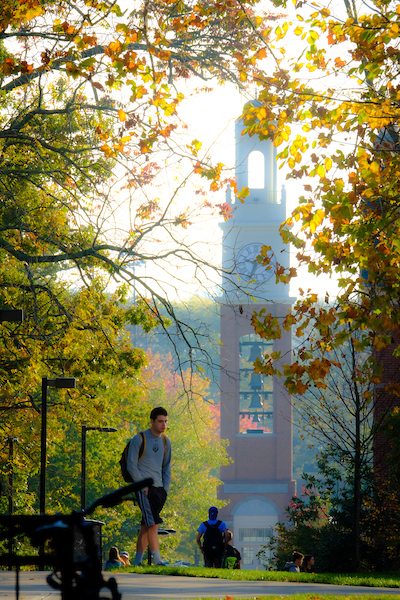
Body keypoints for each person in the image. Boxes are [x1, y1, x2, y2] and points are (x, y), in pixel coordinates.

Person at [127, 406, 171, 566]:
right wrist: (142, 486)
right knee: (153, 524)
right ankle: (158, 560)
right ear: (152, 421)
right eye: (160, 421)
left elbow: (166, 467)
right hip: (144, 489)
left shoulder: (166, 441)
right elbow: (131, 466)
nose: (163, 425)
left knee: (146, 525)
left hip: (160, 489)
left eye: (165, 421)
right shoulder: (139, 439)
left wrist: (165, 489)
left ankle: (137, 562)